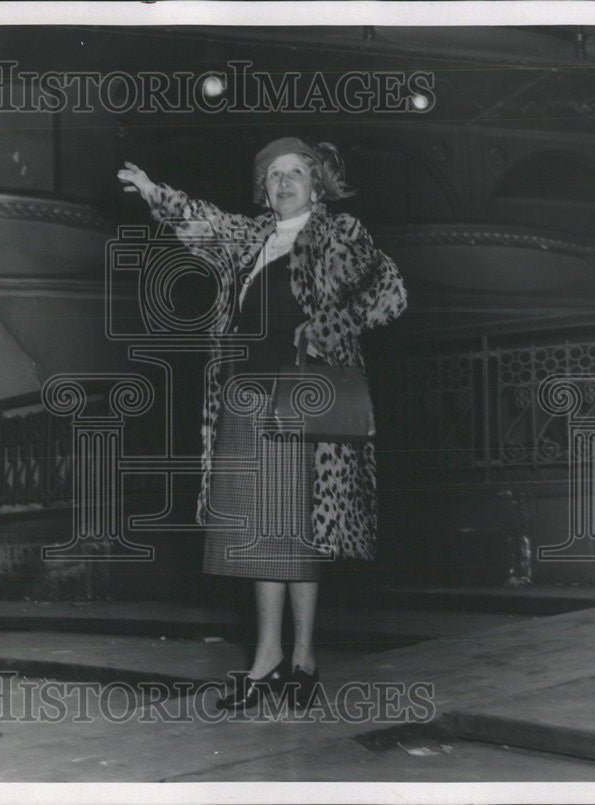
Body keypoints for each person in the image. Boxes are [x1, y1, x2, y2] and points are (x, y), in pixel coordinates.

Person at [118, 137, 406, 711]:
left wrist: (327, 327)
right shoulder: (251, 237)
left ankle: (303, 658)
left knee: (301, 526)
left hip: (303, 392)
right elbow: (202, 221)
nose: (283, 183)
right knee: (258, 529)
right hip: (244, 396)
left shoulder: (338, 233)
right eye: (273, 175)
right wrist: (154, 193)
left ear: (317, 183)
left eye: (295, 172)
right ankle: (268, 658)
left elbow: (390, 294)